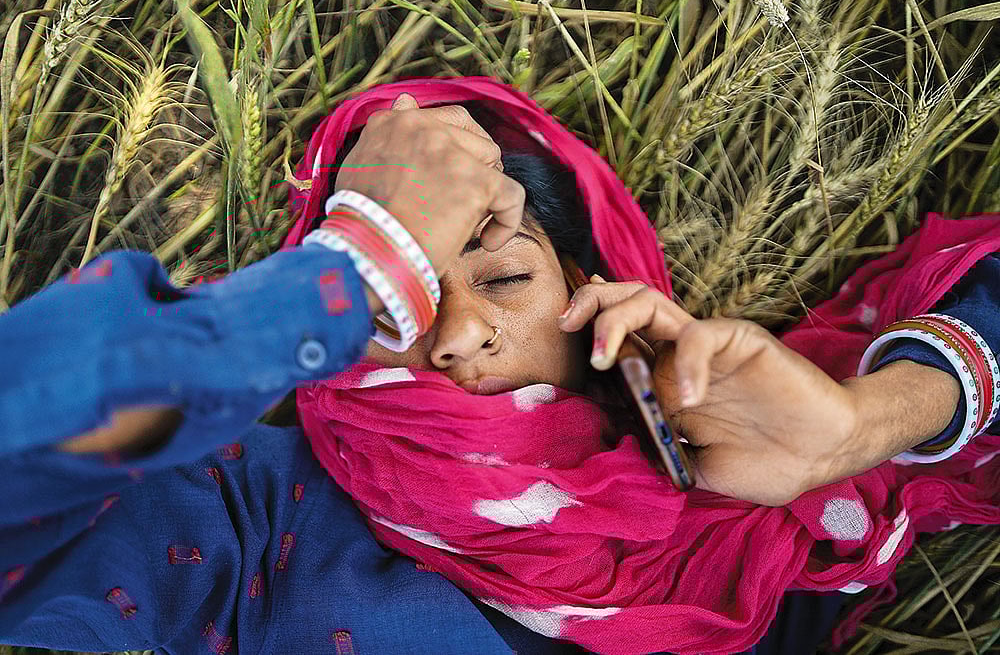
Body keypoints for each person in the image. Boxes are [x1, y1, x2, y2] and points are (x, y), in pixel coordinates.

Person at [1, 77, 999, 654]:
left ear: (597, 304)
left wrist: (864, 425)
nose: (457, 334)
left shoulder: (752, 507)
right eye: (405, 297)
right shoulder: (253, 524)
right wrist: (348, 270)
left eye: (506, 278)